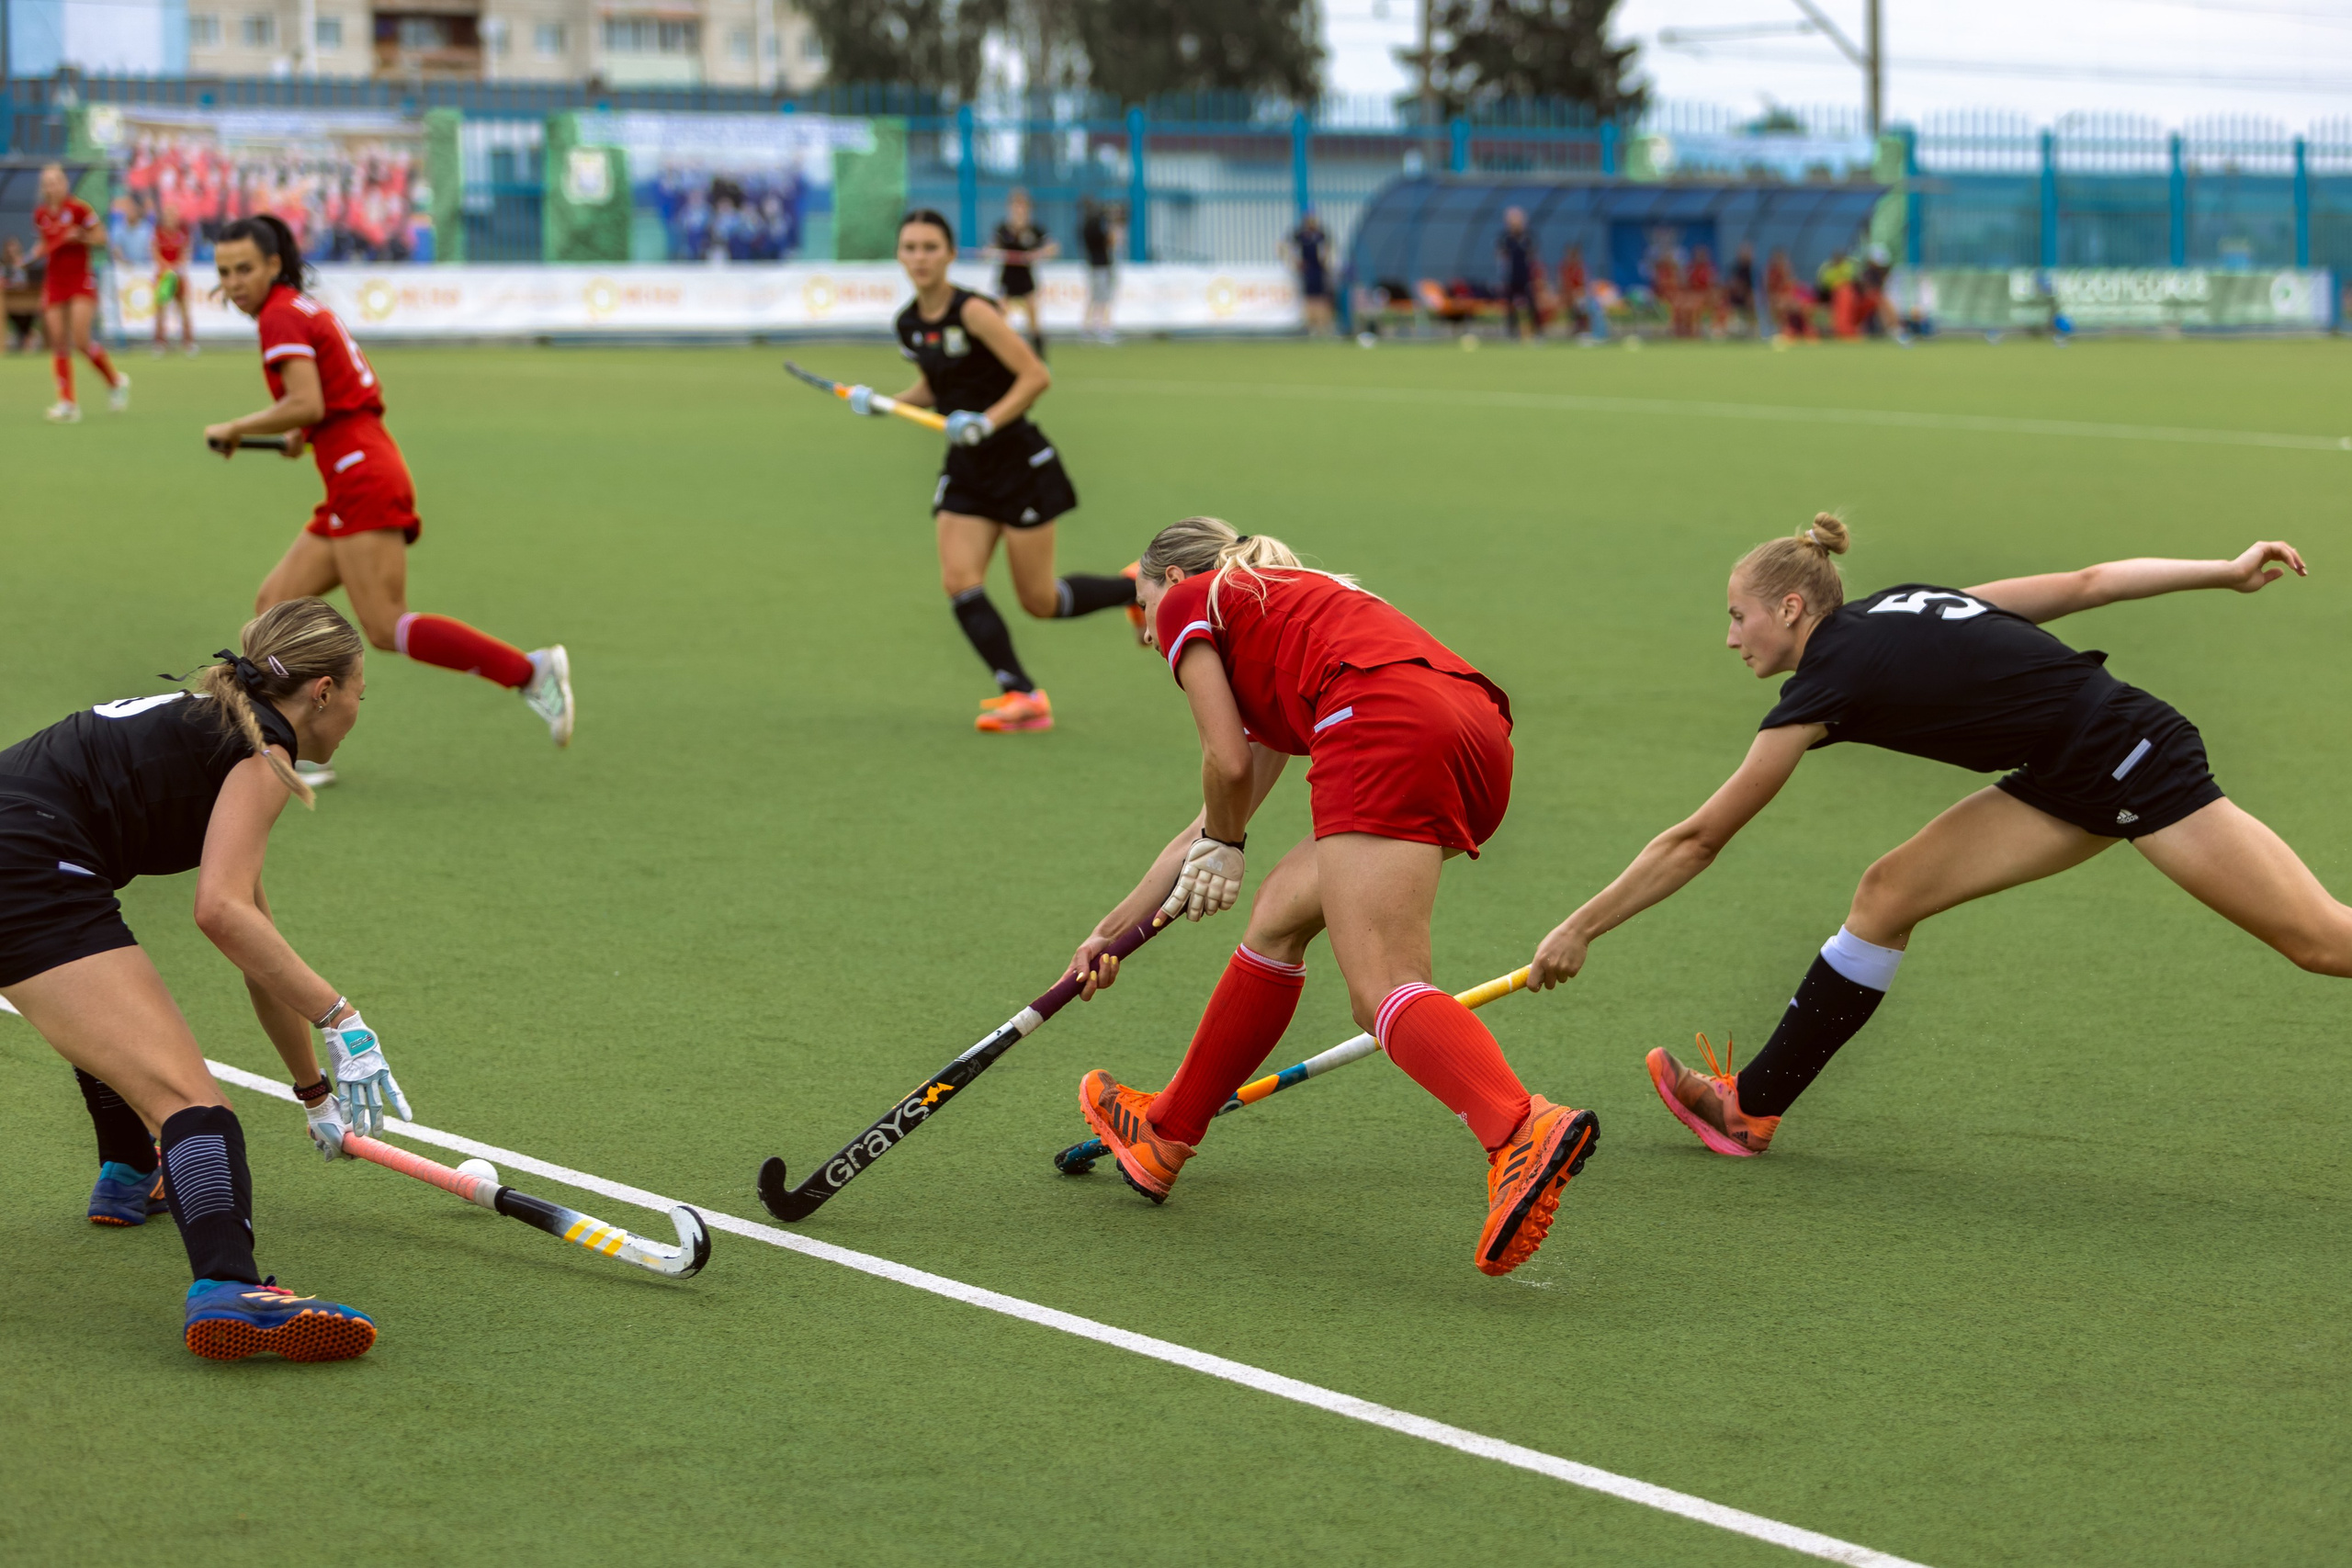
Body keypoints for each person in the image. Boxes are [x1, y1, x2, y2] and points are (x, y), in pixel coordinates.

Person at [1527, 517, 2336, 1161]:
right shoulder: (1897, 605)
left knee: (2317, 939)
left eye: (1738, 616)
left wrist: (1580, 928)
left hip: (2130, 757)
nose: (1732, 637)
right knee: (1889, 893)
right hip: (2064, 770)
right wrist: (2223, 571)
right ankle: (1751, 1109)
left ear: (1791, 608)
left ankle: (1751, 1105)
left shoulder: (1825, 685)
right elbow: (2088, 584)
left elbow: (1698, 840)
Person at [1068, 518, 1599, 1277]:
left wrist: (1227, 841)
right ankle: (1165, 1132)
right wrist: (1111, 931)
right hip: (1473, 735)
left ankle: (1518, 1126)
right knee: (1280, 917)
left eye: (1139, 604)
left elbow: (1221, 768)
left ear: (1170, 577)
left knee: (1380, 984)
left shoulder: (1193, 598)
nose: (1147, 634)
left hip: (1381, 725)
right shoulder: (1288, 614)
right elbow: (1222, 806)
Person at [5, 599, 392, 1359]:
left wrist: (311, 1089)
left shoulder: (218, 717)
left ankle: (129, 1170)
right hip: (28, 869)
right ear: (321, 691)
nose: (356, 710)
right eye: (358, 693)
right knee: (193, 1103)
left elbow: (255, 940)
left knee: (116, 1019)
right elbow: (218, 911)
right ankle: (229, 1286)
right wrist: (340, 1016)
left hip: (20, 853)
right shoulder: (264, 755)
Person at [204, 214, 573, 781]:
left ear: (274, 265)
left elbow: (309, 402)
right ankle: (290, 750)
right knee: (275, 604)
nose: (233, 282)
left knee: (384, 624)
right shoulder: (298, 309)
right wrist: (297, 439)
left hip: (361, 473)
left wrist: (236, 428)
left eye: (244, 269)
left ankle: (529, 672)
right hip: (354, 466)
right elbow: (325, 404)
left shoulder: (280, 315)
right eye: (224, 271)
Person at [847, 209, 1137, 734]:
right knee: (960, 581)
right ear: (899, 255)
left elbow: (1035, 376)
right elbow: (937, 391)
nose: (919, 257)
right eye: (910, 247)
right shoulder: (909, 324)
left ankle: (1132, 588)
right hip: (966, 467)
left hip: (1017, 463)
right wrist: (885, 403)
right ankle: (1022, 694)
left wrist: (986, 420)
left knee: (1040, 601)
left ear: (950, 254)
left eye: (930, 247)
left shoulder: (975, 311)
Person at [31, 164, 130, 423]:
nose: (54, 186)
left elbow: (101, 237)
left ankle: (114, 381)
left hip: (79, 279)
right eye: (48, 182)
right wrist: (32, 254)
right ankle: (67, 403)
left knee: (81, 340)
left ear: (64, 183)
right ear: (44, 188)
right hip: (55, 280)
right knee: (58, 341)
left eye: (57, 180)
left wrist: (81, 236)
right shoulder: (41, 214)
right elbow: (45, 243)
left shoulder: (78, 209)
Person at [988, 187, 1057, 357]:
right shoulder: (1003, 229)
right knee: (1001, 317)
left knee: (1033, 320)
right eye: (1016, 205)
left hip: (1026, 277)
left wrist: (1037, 254)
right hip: (1007, 277)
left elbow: (1053, 247)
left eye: (1022, 206)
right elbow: (991, 248)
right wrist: (991, 252)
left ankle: (1040, 358)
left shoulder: (1034, 229)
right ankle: (1001, 354)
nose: (1019, 209)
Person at [153, 200, 197, 355]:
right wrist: (167, 267)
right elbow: (155, 253)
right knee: (161, 311)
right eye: (168, 215)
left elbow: (185, 253)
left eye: (173, 215)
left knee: (184, 309)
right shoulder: (158, 233)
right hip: (163, 277)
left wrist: (176, 267)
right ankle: (160, 343)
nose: (171, 218)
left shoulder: (182, 233)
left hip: (179, 276)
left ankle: (188, 342)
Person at [1080, 197, 1121, 344]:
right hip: (1101, 266)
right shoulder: (1096, 227)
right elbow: (1111, 242)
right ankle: (1103, 328)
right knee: (1103, 298)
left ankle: (1088, 328)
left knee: (1093, 298)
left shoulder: (1084, 227)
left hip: (1093, 265)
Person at [1285, 211, 1334, 337]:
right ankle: (1311, 325)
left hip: (1319, 270)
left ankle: (1322, 325)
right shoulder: (1300, 235)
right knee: (1309, 297)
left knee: (1322, 297)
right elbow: (1286, 246)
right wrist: (1295, 262)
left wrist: (1326, 260)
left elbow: (1329, 247)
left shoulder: (1320, 235)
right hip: (1308, 270)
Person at [1496, 208, 1540, 342]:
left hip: (1526, 276)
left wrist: (1536, 277)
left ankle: (1536, 333)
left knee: (1532, 304)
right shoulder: (1505, 238)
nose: (1515, 222)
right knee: (1510, 306)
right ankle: (1511, 333)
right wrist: (1501, 275)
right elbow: (1501, 257)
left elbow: (1533, 256)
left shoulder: (1528, 237)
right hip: (1511, 277)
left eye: (1518, 219)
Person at [2, 237, 44, 355]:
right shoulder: (3, 268)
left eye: (14, 249)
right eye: (9, 249)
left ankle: (30, 337)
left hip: (29, 306)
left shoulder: (26, 265)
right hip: (8, 305)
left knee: (40, 309)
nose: (11, 252)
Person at [1724, 241, 1758, 337]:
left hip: (1748, 298)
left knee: (1752, 301)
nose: (1748, 255)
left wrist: (1750, 295)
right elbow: (1732, 285)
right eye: (1745, 253)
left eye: (1749, 253)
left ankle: (1752, 330)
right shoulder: (1735, 269)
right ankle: (1731, 330)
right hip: (1735, 297)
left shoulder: (1753, 270)